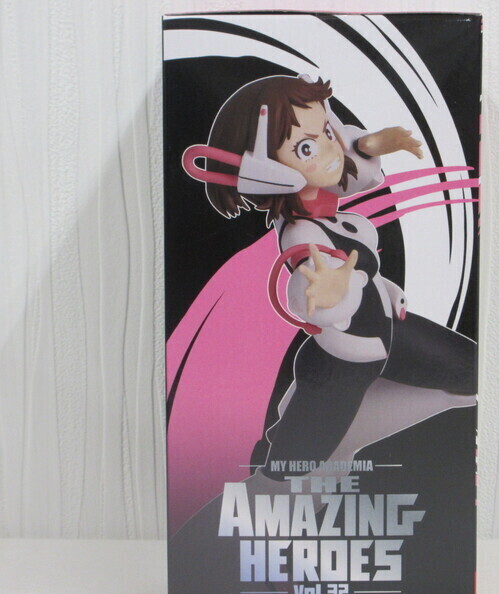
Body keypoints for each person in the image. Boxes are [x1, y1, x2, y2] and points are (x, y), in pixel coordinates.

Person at [182, 75, 477, 480]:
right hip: (343, 361)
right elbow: (308, 280)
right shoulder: (302, 232)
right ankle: (294, 424)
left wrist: (367, 144)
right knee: (288, 467)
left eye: (325, 132)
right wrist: (327, 291)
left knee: (471, 371)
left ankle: (327, 419)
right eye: (305, 147)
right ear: (266, 172)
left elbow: (349, 180)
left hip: (389, 333)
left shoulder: (343, 221)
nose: (329, 148)